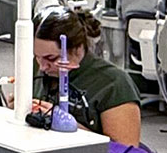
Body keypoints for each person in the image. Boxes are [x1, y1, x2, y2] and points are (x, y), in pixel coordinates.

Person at [32, 7, 143, 145]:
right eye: (37, 57)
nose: (42, 67)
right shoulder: (38, 68)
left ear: (77, 48)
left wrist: (69, 125)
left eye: (51, 58)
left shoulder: (114, 84)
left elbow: (125, 152)